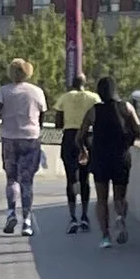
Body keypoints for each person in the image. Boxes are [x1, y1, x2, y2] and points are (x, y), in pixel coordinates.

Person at [0, 56, 46, 236]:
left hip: (9, 137)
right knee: (27, 181)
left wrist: (5, 114)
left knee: (11, 179)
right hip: (31, 138)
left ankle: (10, 213)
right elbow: (43, 114)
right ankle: (27, 221)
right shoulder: (36, 91)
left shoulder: (3, 91)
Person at [87, 73, 139, 245]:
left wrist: (85, 147)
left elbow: (80, 136)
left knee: (101, 199)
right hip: (121, 157)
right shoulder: (126, 107)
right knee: (120, 196)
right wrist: (127, 143)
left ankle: (105, 236)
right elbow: (138, 130)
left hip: (100, 158)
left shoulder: (94, 111)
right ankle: (120, 217)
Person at [55, 77, 99, 232]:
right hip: (88, 137)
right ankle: (85, 216)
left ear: (71, 84)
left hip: (69, 137)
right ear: (85, 83)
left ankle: (73, 217)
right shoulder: (93, 98)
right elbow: (98, 117)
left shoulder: (65, 97)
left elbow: (58, 123)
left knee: (71, 178)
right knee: (85, 178)